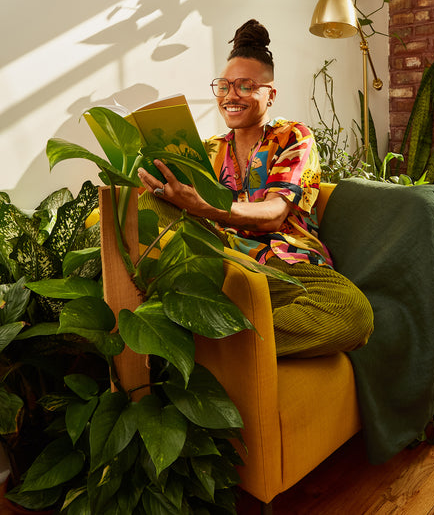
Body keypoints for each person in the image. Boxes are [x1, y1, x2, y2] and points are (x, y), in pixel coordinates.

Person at [138, 19, 373, 357]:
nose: (231, 96)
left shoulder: (293, 136)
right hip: (219, 257)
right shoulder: (206, 148)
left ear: (270, 94)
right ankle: (217, 323)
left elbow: (275, 215)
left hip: (278, 262)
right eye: (223, 86)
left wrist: (201, 206)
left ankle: (213, 339)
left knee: (352, 312)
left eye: (245, 86)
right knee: (146, 203)